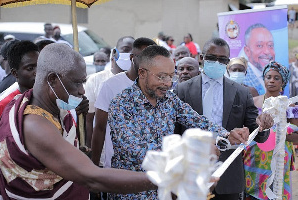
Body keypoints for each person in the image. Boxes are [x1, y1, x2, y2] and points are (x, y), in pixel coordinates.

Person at [107, 45, 271, 199]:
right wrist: (194, 152)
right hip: (133, 192)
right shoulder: (122, 104)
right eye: (162, 76)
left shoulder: (169, 99)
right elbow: (136, 151)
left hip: (166, 192)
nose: (168, 83)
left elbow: (198, 121)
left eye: (171, 76)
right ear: (142, 73)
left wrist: (227, 135)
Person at [0, 43, 156, 199]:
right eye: (77, 82)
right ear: (52, 79)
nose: (82, 90)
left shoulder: (54, 106)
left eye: (83, 81)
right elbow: (93, 178)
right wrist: (160, 179)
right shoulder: (35, 126)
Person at [175, 37, 272, 200]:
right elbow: (175, 133)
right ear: (201, 58)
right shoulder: (183, 90)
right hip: (191, 174)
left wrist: (264, 125)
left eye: (222, 60)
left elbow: (258, 132)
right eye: (212, 58)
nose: (217, 63)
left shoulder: (241, 92)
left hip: (228, 177)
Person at [91, 37, 156, 168]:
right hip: (116, 170)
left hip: (150, 170)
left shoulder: (157, 87)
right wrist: (94, 167)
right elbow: (99, 128)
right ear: (132, 57)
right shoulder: (111, 85)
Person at [243, 61, 298, 200]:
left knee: (277, 190)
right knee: (252, 192)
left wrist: (278, 133)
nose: (272, 81)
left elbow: (296, 136)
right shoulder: (253, 102)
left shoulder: (290, 106)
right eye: (269, 77)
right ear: (264, 79)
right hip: (254, 157)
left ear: (283, 82)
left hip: (279, 157)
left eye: (276, 78)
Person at [85, 36, 135, 149]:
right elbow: (89, 119)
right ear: (114, 52)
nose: (130, 54)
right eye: (126, 49)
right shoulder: (96, 80)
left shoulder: (140, 82)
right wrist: (90, 149)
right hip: (103, 152)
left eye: (133, 51)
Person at [0, 41, 38, 119]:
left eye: (40, 66)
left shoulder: (50, 96)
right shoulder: (4, 104)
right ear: (15, 73)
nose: (37, 72)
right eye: (30, 68)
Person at [243, 23, 275, 95]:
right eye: (259, 46)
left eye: (270, 45)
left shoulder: (277, 74)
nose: (267, 51)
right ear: (247, 51)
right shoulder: (242, 80)